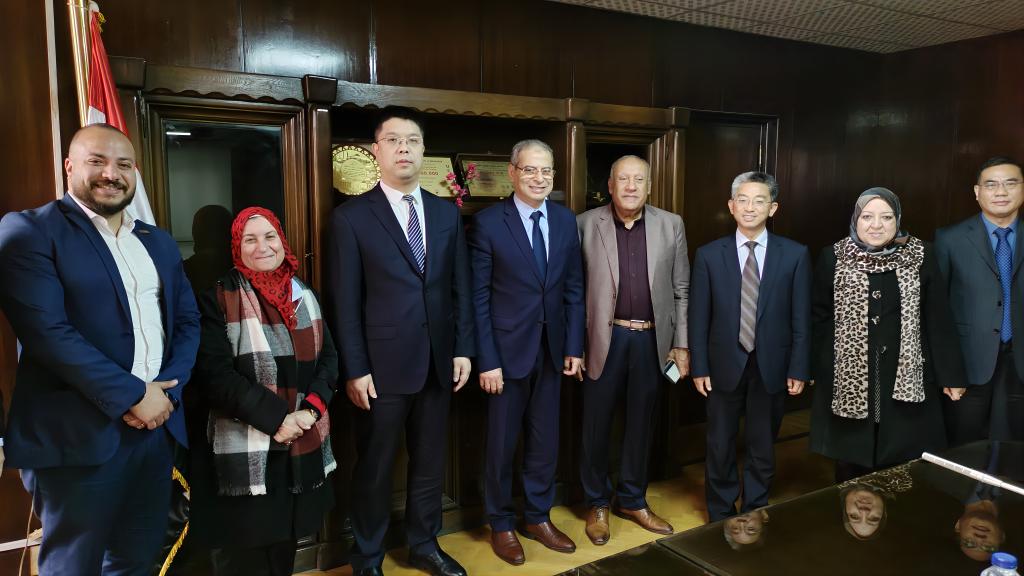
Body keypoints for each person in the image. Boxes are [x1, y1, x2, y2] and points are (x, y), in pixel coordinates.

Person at [0, 123, 200, 575]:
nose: (112, 173)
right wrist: (134, 395)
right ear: (69, 166)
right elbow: (48, 334)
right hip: (76, 436)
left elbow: (187, 323)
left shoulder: (157, 241)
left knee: (136, 561)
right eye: (97, 161)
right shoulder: (31, 231)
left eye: (123, 164)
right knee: (73, 566)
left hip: (155, 432)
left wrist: (167, 394)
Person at [330, 106, 474, 576]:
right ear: (377, 151)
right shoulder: (351, 217)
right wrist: (355, 368)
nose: (403, 149)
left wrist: (463, 349)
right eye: (393, 140)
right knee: (374, 467)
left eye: (412, 140)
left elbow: (460, 288)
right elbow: (345, 302)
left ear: (423, 150)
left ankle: (424, 545)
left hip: (437, 362)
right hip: (380, 368)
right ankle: (367, 558)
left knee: (430, 464)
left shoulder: (446, 213)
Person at [186, 207, 338, 575]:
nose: (263, 247)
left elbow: (329, 360)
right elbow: (216, 376)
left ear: (282, 241)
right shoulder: (218, 297)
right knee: (245, 556)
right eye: (249, 239)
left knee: (283, 548)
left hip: (300, 441)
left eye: (270, 237)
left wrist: (310, 411)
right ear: (236, 247)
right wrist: (278, 420)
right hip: (251, 447)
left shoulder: (305, 294)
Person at [470, 139, 584, 565]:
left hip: (552, 350)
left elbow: (574, 288)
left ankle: (538, 517)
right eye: (530, 170)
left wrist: (574, 346)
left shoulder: (565, 220)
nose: (539, 178)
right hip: (505, 355)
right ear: (513, 173)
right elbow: (478, 298)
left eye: (546, 171)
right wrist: (488, 360)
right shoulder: (488, 223)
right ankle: (500, 523)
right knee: (501, 444)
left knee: (544, 440)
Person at [810, 188, 964, 482]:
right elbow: (819, 318)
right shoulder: (834, 256)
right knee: (851, 464)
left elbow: (938, 318)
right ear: (855, 220)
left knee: (903, 465)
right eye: (867, 217)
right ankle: (852, 507)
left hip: (906, 374)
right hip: (847, 377)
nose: (876, 225)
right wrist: (811, 369)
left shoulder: (921, 254)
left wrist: (952, 375)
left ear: (898, 220)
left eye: (886, 217)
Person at [576, 155, 689, 545]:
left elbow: (681, 289)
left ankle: (632, 499)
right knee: (596, 424)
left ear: (649, 187)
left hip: (651, 340)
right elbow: (573, 292)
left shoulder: (671, 224)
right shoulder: (585, 224)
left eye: (638, 180)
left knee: (642, 423)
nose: (630, 186)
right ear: (610, 185)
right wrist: (574, 346)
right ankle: (596, 503)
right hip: (602, 340)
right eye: (623, 179)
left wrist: (681, 344)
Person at [688, 171, 812, 521]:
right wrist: (699, 365)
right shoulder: (709, 255)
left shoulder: (795, 254)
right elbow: (698, 316)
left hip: (772, 364)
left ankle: (755, 508)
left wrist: (799, 367)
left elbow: (801, 317)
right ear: (731, 206)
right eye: (742, 200)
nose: (750, 207)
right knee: (719, 443)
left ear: (773, 208)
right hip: (722, 364)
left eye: (759, 201)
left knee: (762, 444)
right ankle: (720, 513)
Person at [935, 156, 1024, 445]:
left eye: (1010, 183)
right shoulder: (949, 239)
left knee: (1014, 449)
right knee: (963, 446)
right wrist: (947, 371)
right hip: (967, 364)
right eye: (991, 185)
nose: (1001, 192)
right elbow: (938, 312)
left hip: (1020, 363)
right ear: (977, 192)